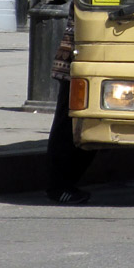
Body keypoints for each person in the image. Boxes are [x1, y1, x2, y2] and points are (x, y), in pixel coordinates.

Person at [46, 18, 95, 204]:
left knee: (80, 124)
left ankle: (63, 184)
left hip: (82, 58)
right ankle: (58, 187)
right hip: (76, 60)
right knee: (68, 126)